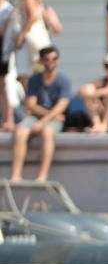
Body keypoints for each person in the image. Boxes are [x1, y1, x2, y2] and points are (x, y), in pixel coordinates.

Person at [10, 46, 69, 182]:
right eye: (47, 59)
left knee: (47, 132)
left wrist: (44, 121)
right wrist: (49, 116)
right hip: (42, 117)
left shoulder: (63, 80)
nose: (50, 62)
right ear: (42, 61)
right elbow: (31, 104)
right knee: (20, 131)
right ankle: (16, 176)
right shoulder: (35, 79)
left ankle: (42, 176)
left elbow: (62, 106)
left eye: (54, 59)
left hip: (51, 119)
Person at [9, 0, 50, 90]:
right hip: (26, 42)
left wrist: (21, 35)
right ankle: (30, 101)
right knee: (23, 74)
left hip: (32, 39)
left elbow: (32, 17)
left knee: (37, 70)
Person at [0, 0, 14, 132]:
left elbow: (5, 32)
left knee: (2, 86)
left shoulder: (8, 10)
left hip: (2, 51)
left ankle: (8, 120)